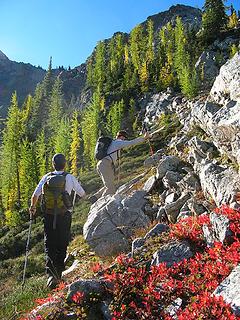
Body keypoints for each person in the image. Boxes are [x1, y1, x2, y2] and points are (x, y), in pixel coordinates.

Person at [29, 153, 85, 289]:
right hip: (64, 215)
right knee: (62, 244)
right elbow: (82, 193)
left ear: (53, 164)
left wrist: (33, 207)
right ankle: (58, 276)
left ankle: (50, 276)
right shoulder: (69, 177)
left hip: (48, 215)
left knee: (50, 244)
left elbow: (35, 195)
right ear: (64, 164)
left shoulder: (46, 177)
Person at [92, 130, 151, 201]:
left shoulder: (113, 143)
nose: (124, 140)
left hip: (102, 164)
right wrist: (144, 138)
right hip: (105, 164)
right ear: (122, 137)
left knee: (109, 184)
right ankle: (100, 203)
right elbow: (131, 143)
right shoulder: (118, 142)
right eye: (124, 138)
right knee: (110, 188)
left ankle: (95, 197)